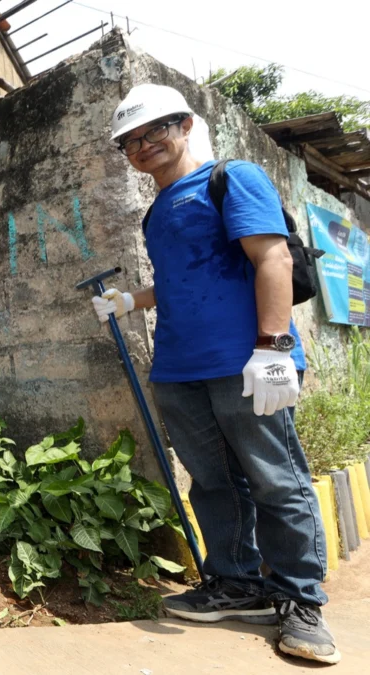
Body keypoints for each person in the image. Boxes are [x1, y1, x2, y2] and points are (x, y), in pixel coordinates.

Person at [94, 84, 336, 664]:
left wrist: (273, 348)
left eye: (155, 130)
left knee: (276, 478)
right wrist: (133, 301)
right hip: (180, 367)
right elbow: (186, 279)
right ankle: (235, 582)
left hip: (247, 361)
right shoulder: (158, 210)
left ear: (184, 125)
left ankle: (301, 600)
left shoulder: (233, 177)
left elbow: (272, 258)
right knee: (211, 481)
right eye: (130, 140)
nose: (144, 144)